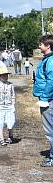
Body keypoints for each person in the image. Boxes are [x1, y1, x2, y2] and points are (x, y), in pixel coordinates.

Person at [34, 35, 53, 167]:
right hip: (47, 98)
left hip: (49, 100)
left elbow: (51, 81)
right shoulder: (47, 60)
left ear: (48, 46)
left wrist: (45, 98)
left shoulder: (50, 61)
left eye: (41, 44)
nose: (39, 46)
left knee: (50, 130)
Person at [0, 63, 16, 146]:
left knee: (10, 121)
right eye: (3, 75)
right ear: (0, 76)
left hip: (9, 106)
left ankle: (10, 136)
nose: (5, 77)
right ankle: (1, 139)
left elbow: (13, 95)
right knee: (0, 122)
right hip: (0, 106)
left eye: (6, 75)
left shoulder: (10, 84)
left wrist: (12, 103)